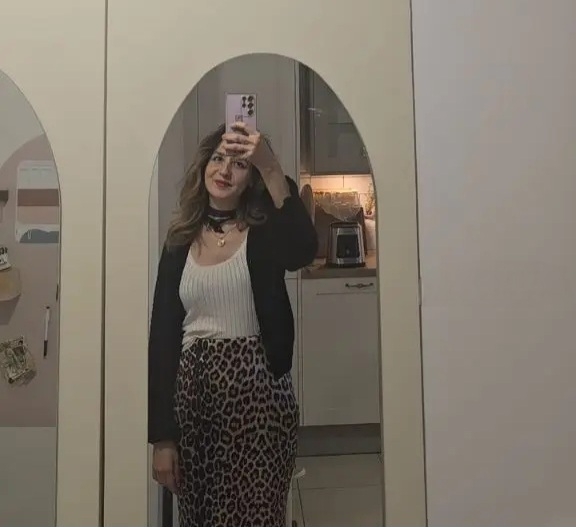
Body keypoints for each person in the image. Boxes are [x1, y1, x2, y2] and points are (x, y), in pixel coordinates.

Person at [148, 121, 318, 527]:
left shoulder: (265, 230)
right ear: (204, 166)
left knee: (257, 517)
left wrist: (272, 168)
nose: (224, 170)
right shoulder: (179, 240)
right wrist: (162, 437)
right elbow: (162, 339)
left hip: (260, 407)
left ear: (251, 178)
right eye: (218, 158)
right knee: (200, 518)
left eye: (239, 164)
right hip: (194, 410)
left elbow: (303, 252)